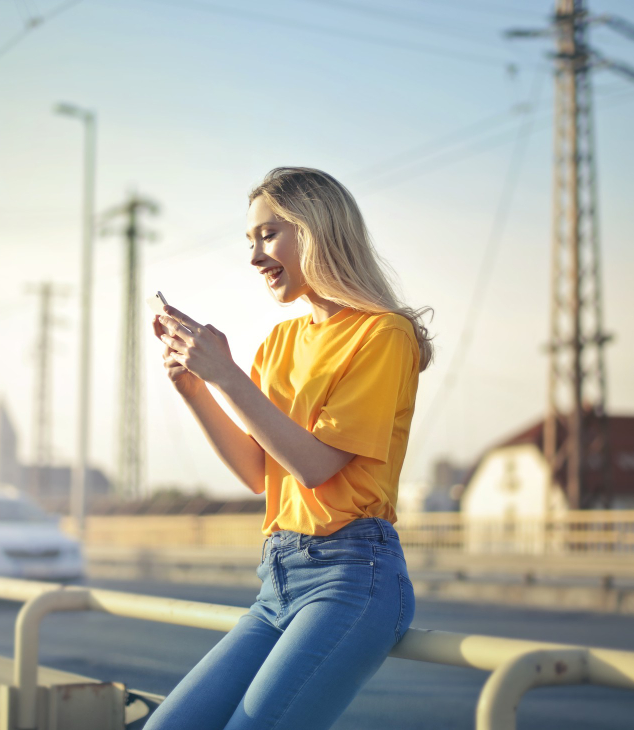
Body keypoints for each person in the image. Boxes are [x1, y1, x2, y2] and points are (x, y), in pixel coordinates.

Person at [145, 167, 434, 730]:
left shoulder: (383, 334)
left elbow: (316, 466)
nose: (255, 257)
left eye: (269, 235)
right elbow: (259, 473)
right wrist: (195, 387)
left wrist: (227, 376)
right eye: (250, 241)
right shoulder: (279, 342)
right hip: (278, 576)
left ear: (316, 231)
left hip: (353, 575)